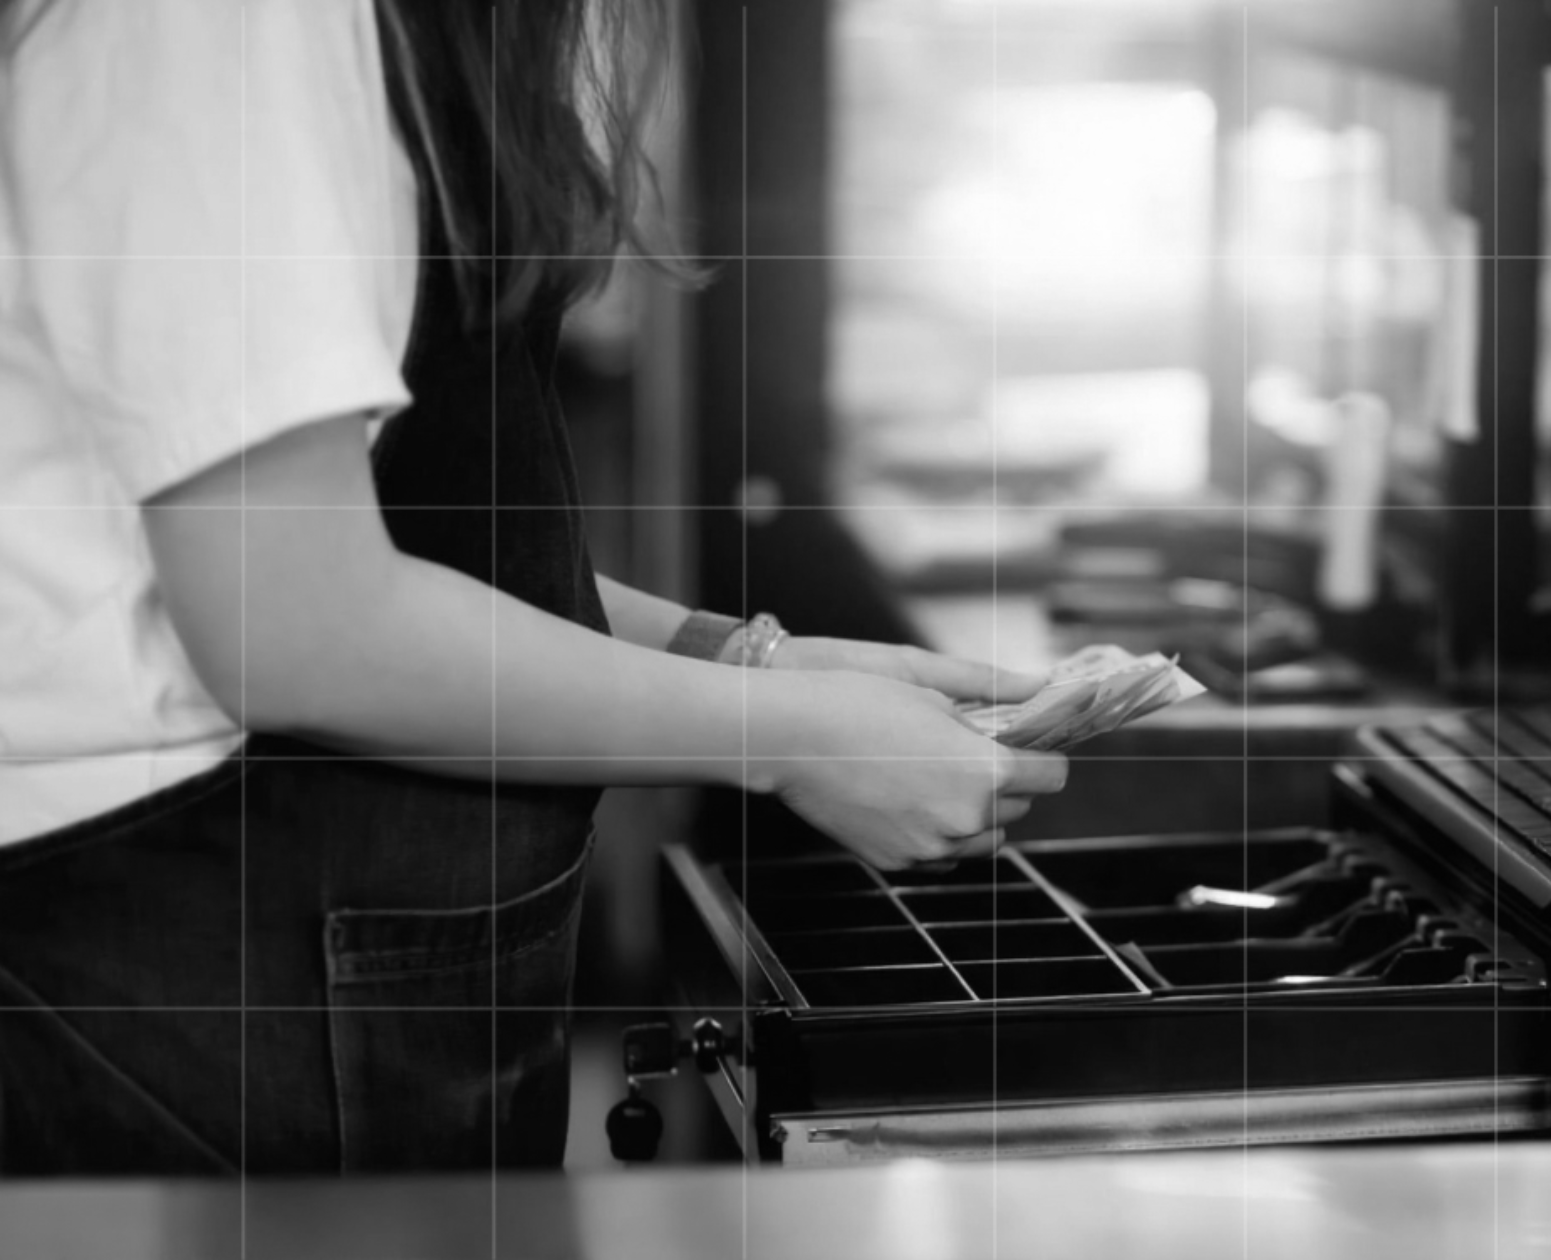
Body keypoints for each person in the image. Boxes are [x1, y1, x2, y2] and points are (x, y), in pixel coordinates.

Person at [0, 0, 1066, 1174]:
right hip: (186, 952)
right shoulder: (230, 26)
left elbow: (421, 548)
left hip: (316, 926)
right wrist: (790, 737)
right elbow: (293, 622)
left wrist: (743, 656)